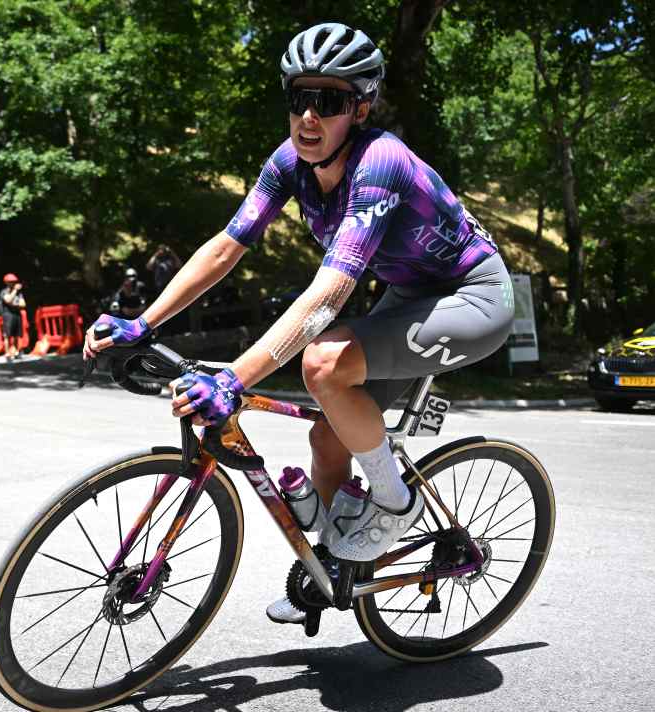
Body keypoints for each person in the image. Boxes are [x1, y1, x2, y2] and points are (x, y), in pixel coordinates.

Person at [84, 23, 513, 625]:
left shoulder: (380, 163)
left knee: (324, 363)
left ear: (360, 107)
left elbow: (328, 293)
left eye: (329, 101)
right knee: (325, 436)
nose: (308, 116)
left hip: (474, 298)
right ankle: (334, 569)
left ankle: (396, 502)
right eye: (298, 99)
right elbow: (226, 248)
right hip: (408, 296)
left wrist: (232, 376)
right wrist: (142, 322)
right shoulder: (289, 161)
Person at [0, 273, 27, 361]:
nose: (14, 283)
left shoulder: (19, 293)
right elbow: (8, 300)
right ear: (7, 282)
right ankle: (7, 354)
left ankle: (15, 352)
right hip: (7, 315)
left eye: (14, 282)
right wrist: (14, 291)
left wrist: (14, 304)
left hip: (16, 315)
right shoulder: (4, 292)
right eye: (11, 282)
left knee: (16, 335)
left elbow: (23, 304)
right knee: (7, 335)